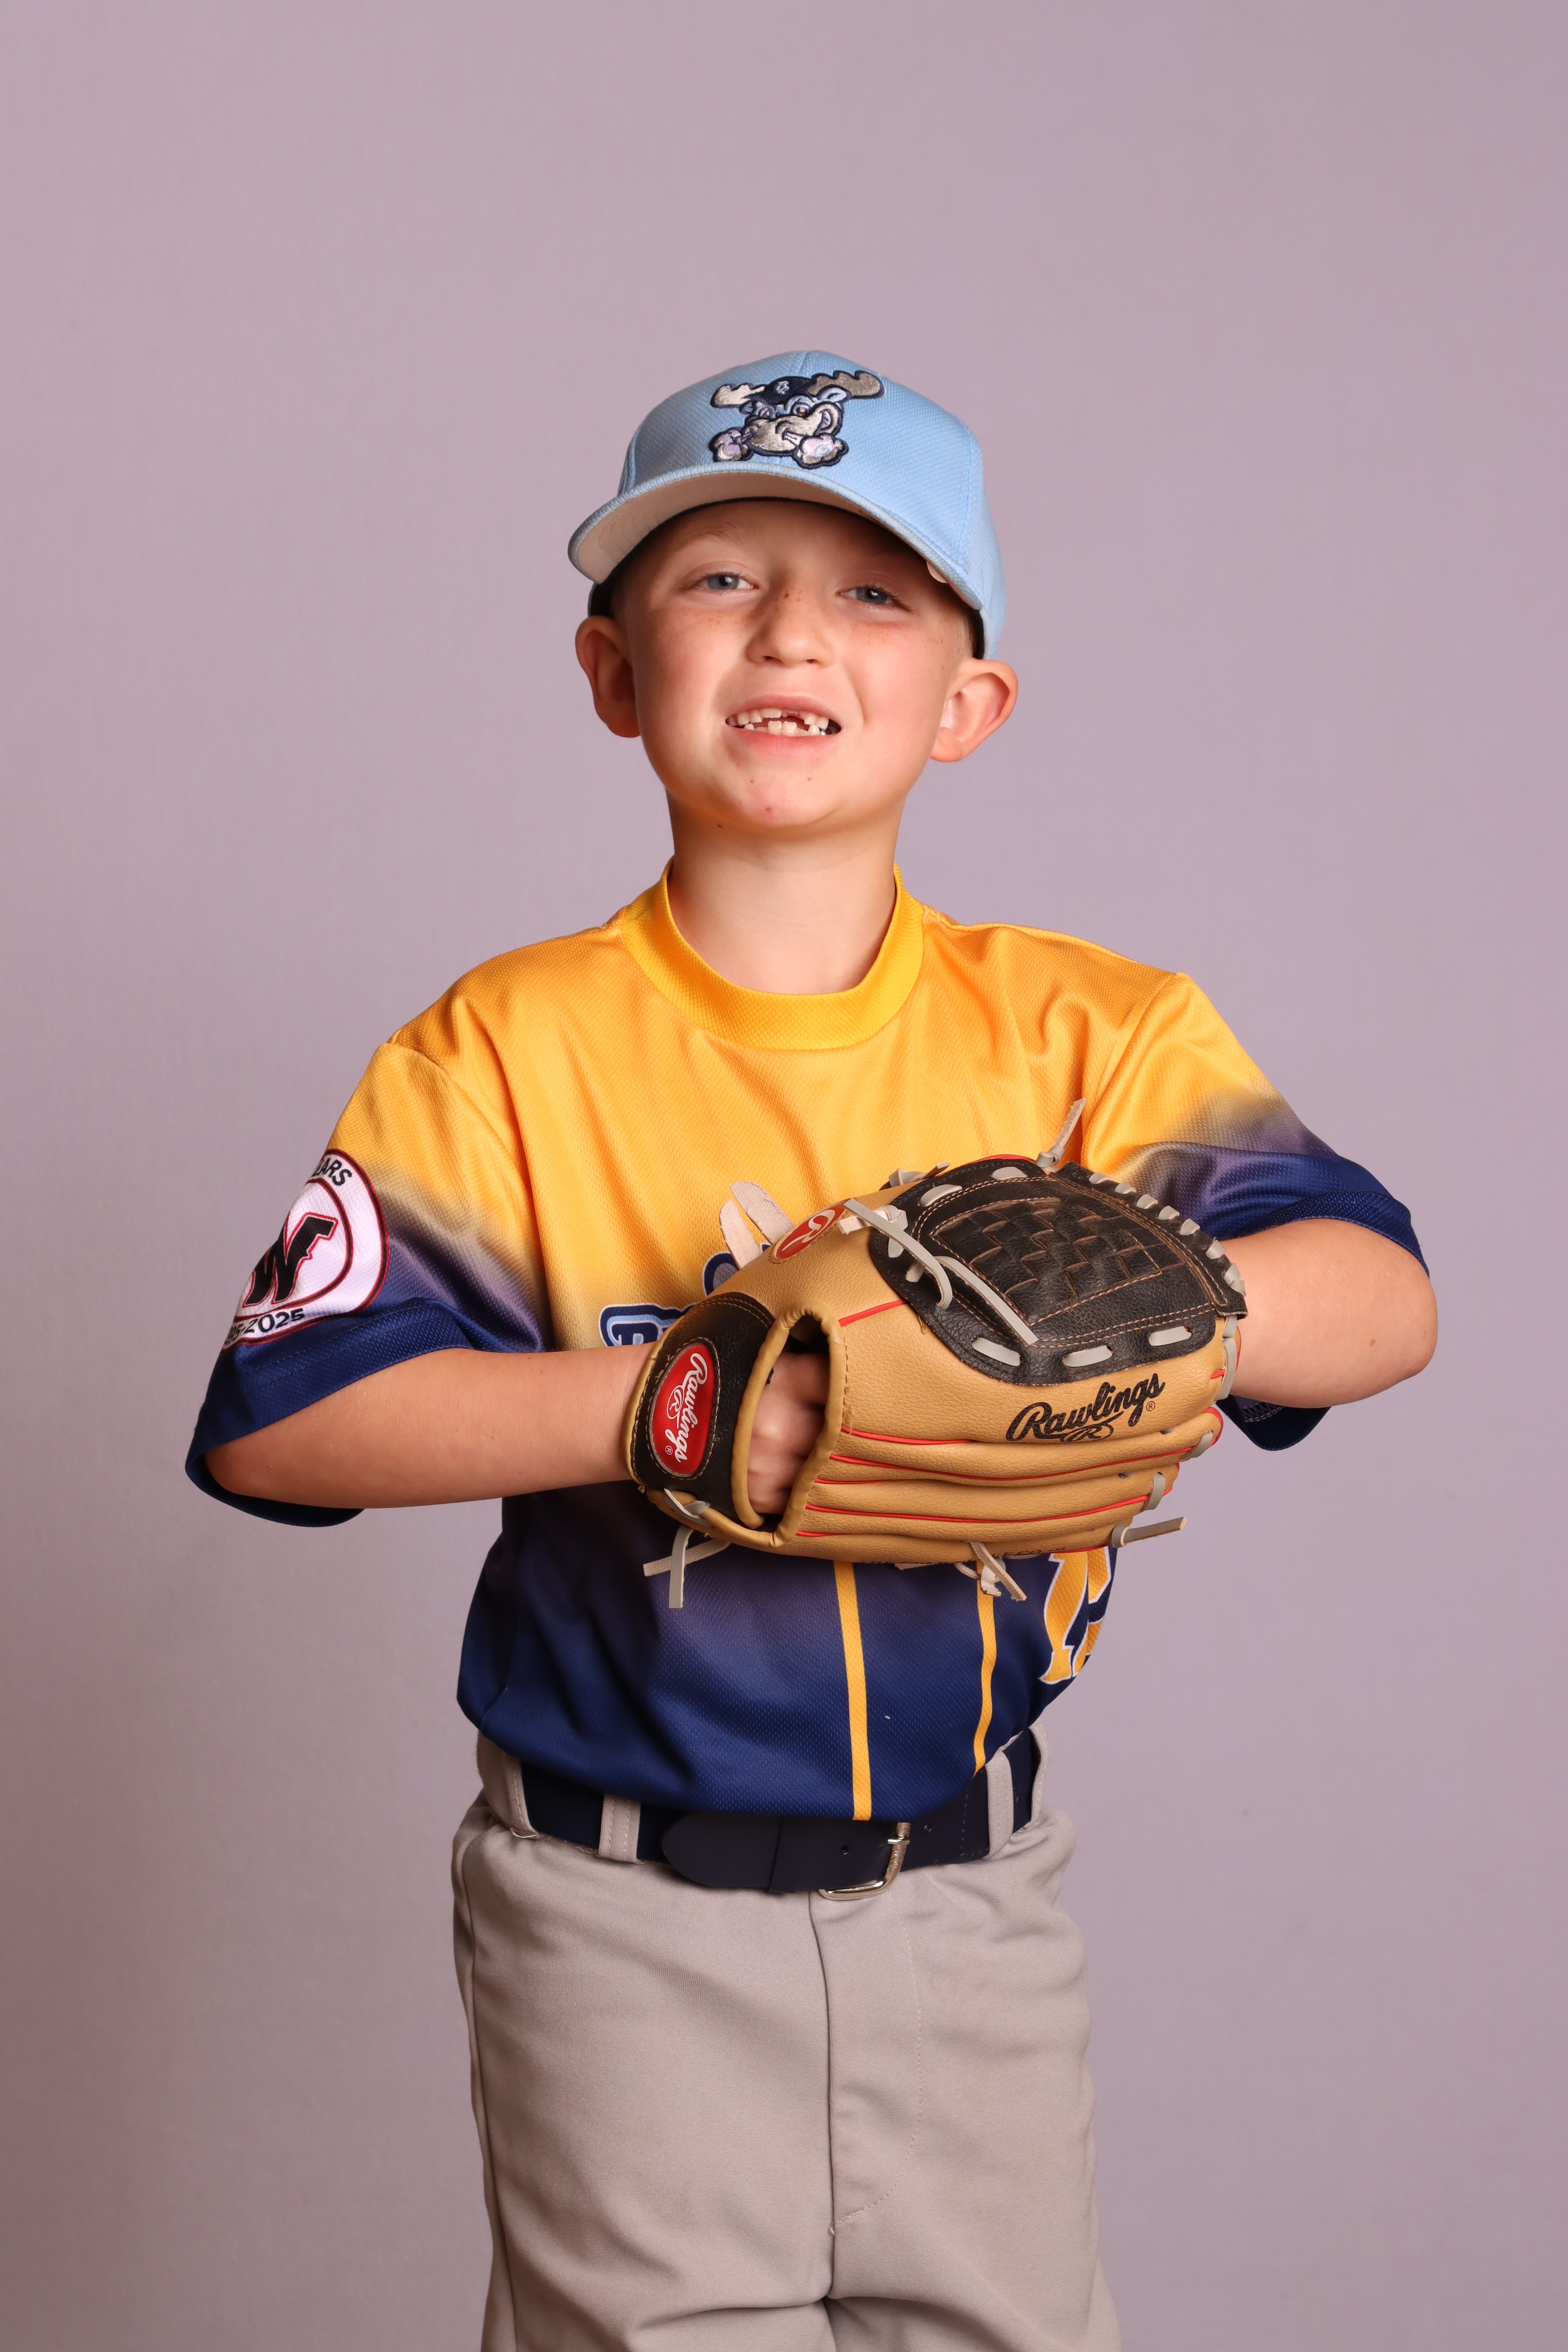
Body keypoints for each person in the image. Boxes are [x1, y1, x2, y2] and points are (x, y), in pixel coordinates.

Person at [189, 353, 1436, 2351]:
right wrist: (680, 1402)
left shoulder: (1087, 1036)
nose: (789, 631)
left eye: (872, 589)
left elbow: (1378, 1300)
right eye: (718, 577)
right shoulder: (505, 1046)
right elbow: (290, 1423)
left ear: (969, 702)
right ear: (613, 672)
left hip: (976, 1900)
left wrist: (1120, 1321)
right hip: (618, 1913)